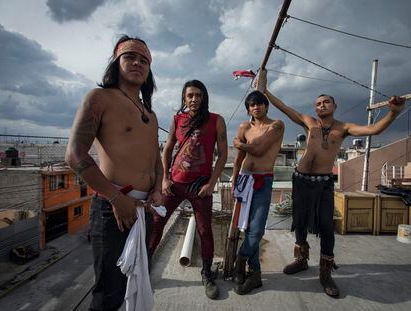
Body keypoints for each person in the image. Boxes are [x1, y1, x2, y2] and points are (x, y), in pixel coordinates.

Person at [258, 69, 405, 297]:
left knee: (327, 227)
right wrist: (265, 90)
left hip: (323, 183)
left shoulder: (344, 128)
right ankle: (301, 260)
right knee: (300, 222)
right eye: (318, 103)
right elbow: (285, 108)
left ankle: (325, 273)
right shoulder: (308, 123)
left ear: (334, 107)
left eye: (326, 102)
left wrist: (393, 114)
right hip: (301, 180)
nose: (321, 105)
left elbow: (373, 129)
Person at [65, 35, 163, 311]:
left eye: (144, 60)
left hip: (145, 209)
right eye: (130, 57)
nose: (137, 63)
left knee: (136, 282)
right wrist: (115, 198)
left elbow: (156, 158)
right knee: (109, 293)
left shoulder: (150, 114)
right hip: (113, 209)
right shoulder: (100, 98)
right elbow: (74, 154)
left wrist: (157, 188)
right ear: (116, 63)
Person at [148, 80, 228, 299]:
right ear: (184, 98)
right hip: (174, 184)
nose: (194, 99)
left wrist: (211, 183)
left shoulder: (216, 120)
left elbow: (223, 154)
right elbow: (167, 149)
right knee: (157, 223)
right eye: (190, 95)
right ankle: (144, 266)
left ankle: (206, 273)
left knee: (204, 230)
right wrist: (165, 178)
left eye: (198, 95)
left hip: (199, 186)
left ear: (204, 98)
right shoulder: (177, 120)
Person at [230, 90, 284, 295]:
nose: (256, 107)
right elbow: (239, 158)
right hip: (244, 179)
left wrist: (240, 143)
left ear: (266, 106)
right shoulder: (244, 127)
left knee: (257, 229)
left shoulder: (276, 125)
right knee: (245, 226)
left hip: (263, 179)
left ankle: (240, 259)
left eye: (260, 104)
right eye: (252, 105)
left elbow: (260, 149)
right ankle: (255, 275)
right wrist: (234, 180)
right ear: (248, 109)